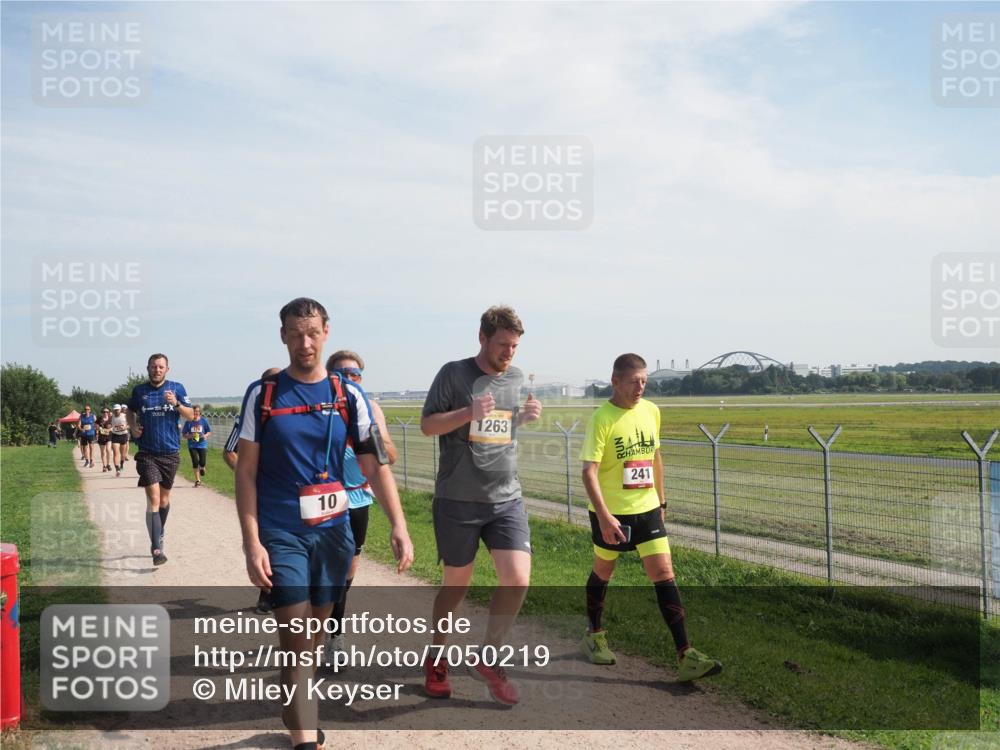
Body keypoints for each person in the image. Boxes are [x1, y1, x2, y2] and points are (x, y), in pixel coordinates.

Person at [235, 298, 413, 750]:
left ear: (326, 332)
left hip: (334, 533)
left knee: (313, 636)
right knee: (296, 636)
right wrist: (252, 542)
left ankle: (295, 705)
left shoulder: (348, 396)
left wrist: (399, 524)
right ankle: (304, 737)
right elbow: (245, 471)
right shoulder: (264, 394)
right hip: (282, 531)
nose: (305, 343)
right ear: (283, 336)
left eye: (312, 333)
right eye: (295, 334)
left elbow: (375, 465)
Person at [420, 305, 542, 705]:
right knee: (456, 587)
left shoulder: (516, 378)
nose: (509, 352)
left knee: (518, 579)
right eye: (503, 344)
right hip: (458, 499)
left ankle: (488, 657)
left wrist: (522, 418)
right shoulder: (453, 374)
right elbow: (428, 425)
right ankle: (437, 658)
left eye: (515, 346)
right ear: (482, 338)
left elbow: (498, 426)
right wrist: (467, 411)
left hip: (506, 497)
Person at [579, 353, 721, 682]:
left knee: (664, 573)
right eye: (634, 381)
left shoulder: (651, 411)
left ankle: (685, 654)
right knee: (603, 570)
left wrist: (662, 499)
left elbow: (656, 458)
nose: (640, 387)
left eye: (644, 381)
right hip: (612, 513)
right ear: (615, 381)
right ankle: (594, 635)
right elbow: (589, 472)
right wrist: (604, 516)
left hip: (647, 509)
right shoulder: (602, 418)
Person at [324, 350, 398, 656]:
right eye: (341, 374)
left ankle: (334, 634)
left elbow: (389, 457)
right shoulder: (321, 406)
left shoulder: (371, 408)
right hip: (323, 499)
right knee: (321, 570)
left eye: (355, 374)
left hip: (357, 499)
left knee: (346, 573)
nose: (349, 379)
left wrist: (371, 435)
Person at [223, 367, 282, 615]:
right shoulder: (249, 417)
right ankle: (267, 594)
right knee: (269, 540)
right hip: (263, 492)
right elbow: (229, 452)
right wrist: (249, 477)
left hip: (291, 490)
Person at [127, 353, 194, 566]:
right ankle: (157, 549)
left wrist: (176, 404)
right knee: (154, 499)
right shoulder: (140, 391)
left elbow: (191, 415)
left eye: (161, 367)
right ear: (147, 368)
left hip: (170, 452)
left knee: (164, 500)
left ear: (167, 369)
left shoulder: (177, 388)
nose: (157, 370)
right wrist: (133, 427)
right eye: (153, 366)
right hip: (147, 452)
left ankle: (159, 532)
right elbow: (130, 411)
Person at [182, 405, 212, 487]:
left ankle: (202, 467)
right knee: (195, 462)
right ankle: (198, 480)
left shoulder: (204, 421)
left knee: (202, 462)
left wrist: (205, 436)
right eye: (195, 411)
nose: (196, 413)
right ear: (192, 412)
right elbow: (184, 435)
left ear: (200, 412)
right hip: (192, 445)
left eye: (198, 411)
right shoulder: (188, 422)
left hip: (202, 445)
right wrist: (190, 436)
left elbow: (209, 431)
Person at [110, 404, 129, 476]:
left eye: (117, 409)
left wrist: (125, 427)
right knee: (116, 452)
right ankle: (117, 469)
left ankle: (121, 464)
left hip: (123, 435)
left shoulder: (125, 416)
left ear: (120, 409)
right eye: (115, 410)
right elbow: (106, 423)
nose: (116, 411)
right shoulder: (112, 417)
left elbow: (130, 424)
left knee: (123, 454)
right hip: (115, 435)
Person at [96, 407, 113, 471]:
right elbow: (95, 426)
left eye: (107, 412)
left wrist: (110, 429)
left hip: (109, 437)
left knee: (108, 450)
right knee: (103, 452)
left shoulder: (111, 419)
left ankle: (108, 464)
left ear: (109, 413)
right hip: (101, 437)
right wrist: (99, 428)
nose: (105, 413)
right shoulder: (99, 419)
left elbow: (114, 426)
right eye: (104, 412)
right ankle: (104, 466)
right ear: (102, 413)